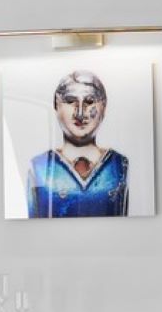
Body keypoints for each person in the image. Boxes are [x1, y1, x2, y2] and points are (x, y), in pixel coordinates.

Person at [25, 70, 129, 216]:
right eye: (70, 101)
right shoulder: (39, 167)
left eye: (90, 101)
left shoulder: (119, 165)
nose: (80, 113)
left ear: (103, 107)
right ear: (56, 106)